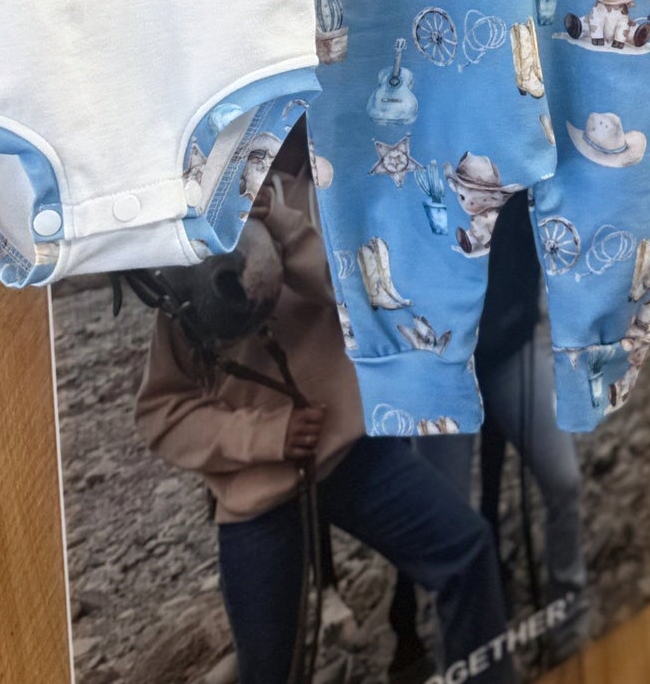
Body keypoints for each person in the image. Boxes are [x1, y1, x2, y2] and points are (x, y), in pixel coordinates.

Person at [135, 165, 516, 684]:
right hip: (258, 493)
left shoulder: (305, 210)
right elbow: (161, 412)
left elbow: (362, 298)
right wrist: (269, 436)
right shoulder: (184, 279)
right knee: (271, 669)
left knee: (465, 550)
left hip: (350, 456)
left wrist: (283, 227)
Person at [419, 192, 588, 654]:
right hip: (441, 369)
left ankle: (570, 627)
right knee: (447, 528)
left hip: (511, 348)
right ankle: (462, 657)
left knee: (565, 481)